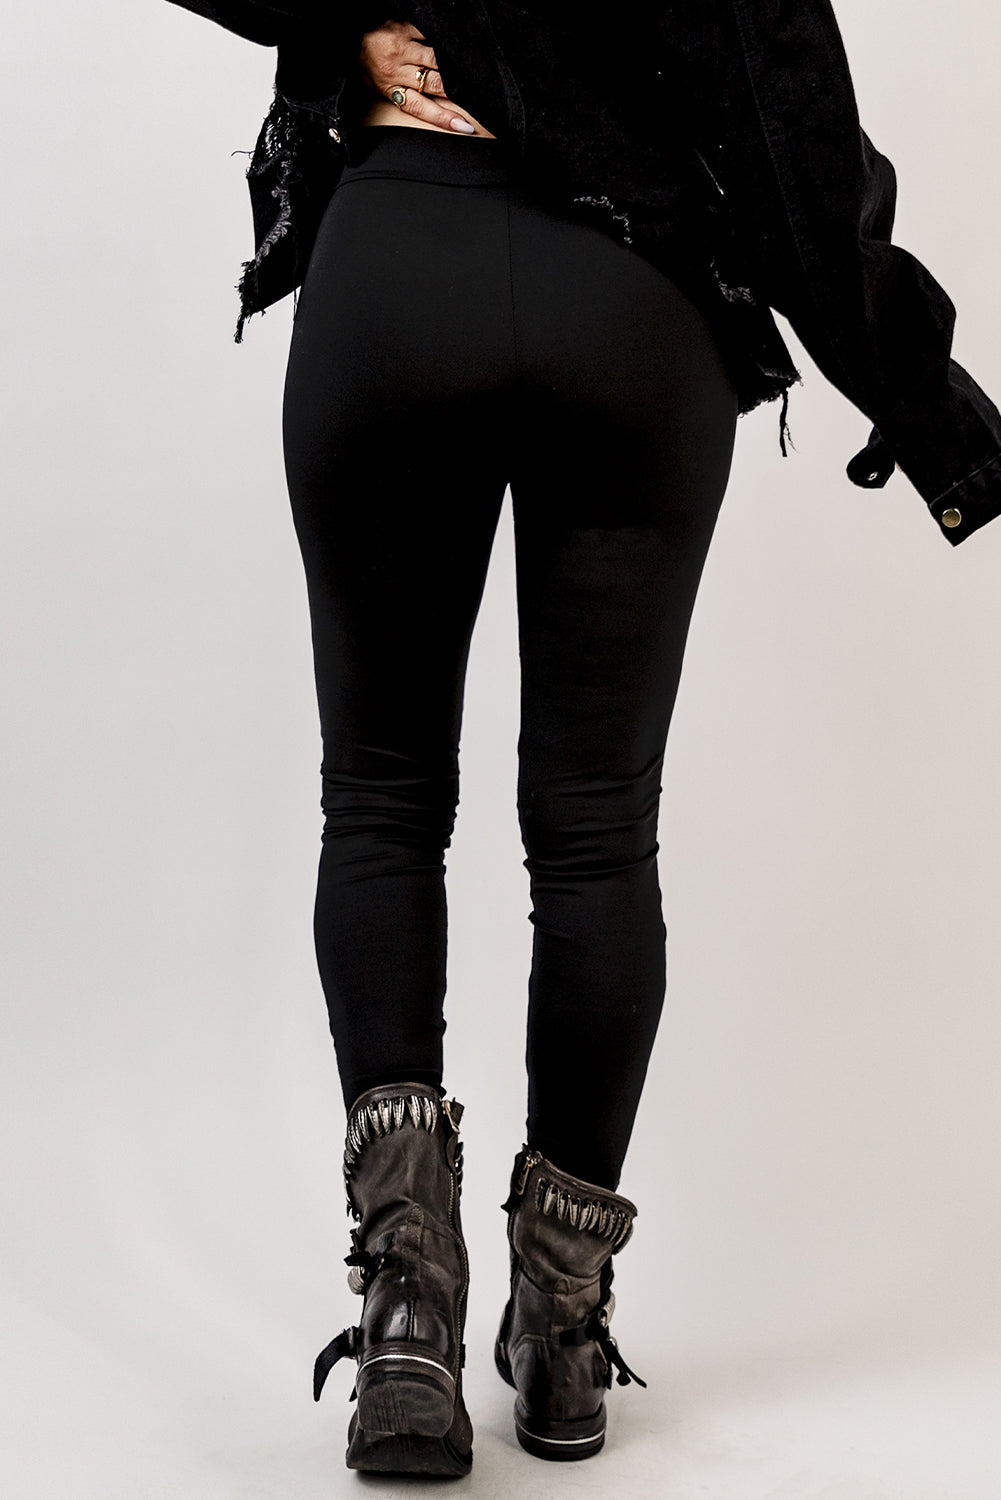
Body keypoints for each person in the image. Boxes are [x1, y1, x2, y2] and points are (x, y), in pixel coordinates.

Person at [164, 1, 1001, 1480]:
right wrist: (928, 408)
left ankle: (405, 1317)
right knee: (598, 829)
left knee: (380, 801)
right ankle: (559, 1330)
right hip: (628, 312)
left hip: (397, 273)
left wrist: (344, 21)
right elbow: (786, 126)